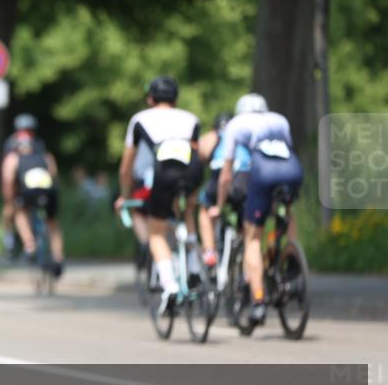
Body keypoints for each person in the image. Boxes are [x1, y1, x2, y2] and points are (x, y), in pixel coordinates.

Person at [209, 93, 303, 326]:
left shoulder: (235, 124)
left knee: (252, 237)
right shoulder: (280, 120)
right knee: (286, 213)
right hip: (292, 169)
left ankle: (258, 301)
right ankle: (290, 257)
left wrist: (220, 206)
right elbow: (287, 148)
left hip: (263, 172)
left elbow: (226, 174)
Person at [114, 76, 202, 314]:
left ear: (150, 98)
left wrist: (124, 194)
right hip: (192, 168)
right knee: (188, 210)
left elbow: (126, 167)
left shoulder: (140, 119)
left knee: (156, 233)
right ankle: (194, 265)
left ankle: (170, 285)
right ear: (176, 98)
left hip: (164, 169)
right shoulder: (191, 118)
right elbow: (195, 150)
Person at [1, 130, 64, 276]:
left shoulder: (13, 158)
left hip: (28, 192)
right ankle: (58, 258)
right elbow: (54, 175)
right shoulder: (46, 156)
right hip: (48, 192)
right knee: (52, 223)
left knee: (20, 212)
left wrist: (10, 200)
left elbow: (8, 181)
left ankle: (29, 245)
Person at [196, 113, 251, 267]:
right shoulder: (244, 136)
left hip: (219, 178)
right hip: (243, 180)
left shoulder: (213, 136)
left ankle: (209, 251)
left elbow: (199, 154)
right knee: (246, 222)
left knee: (204, 209)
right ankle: (247, 256)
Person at [0, 113, 46, 257]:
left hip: (29, 185)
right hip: (19, 184)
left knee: (14, 210)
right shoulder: (13, 144)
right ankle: (10, 240)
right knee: (10, 211)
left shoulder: (36, 144)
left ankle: (26, 243)